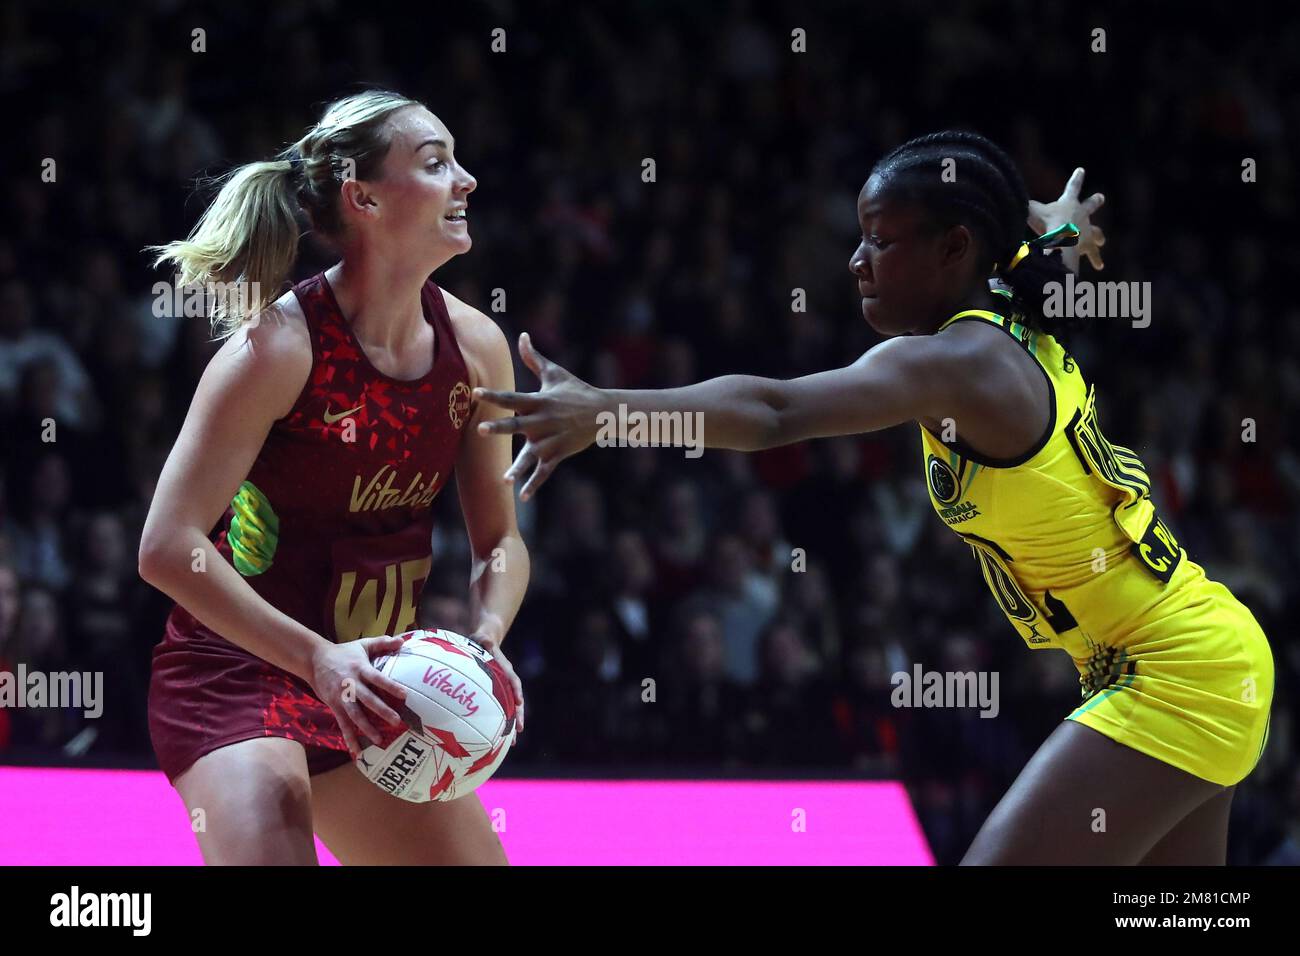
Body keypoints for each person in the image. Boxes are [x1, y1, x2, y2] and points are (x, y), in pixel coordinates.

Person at [474, 131, 1274, 865]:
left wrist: (603, 414)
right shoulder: (1001, 298)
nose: (857, 260)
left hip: (1175, 670)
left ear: (954, 249)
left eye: (882, 241)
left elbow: (775, 411)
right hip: (1199, 654)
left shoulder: (959, 362)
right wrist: (1055, 224)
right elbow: (1020, 236)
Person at [139, 90, 528, 865]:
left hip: (376, 693)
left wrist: (482, 644)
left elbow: (501, 543)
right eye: (435, 162)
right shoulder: (277, 349)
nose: (467, 180)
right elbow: (165, 547)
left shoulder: (477, 347)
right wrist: (316, 656)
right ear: (364, 196)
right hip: (239, 673)